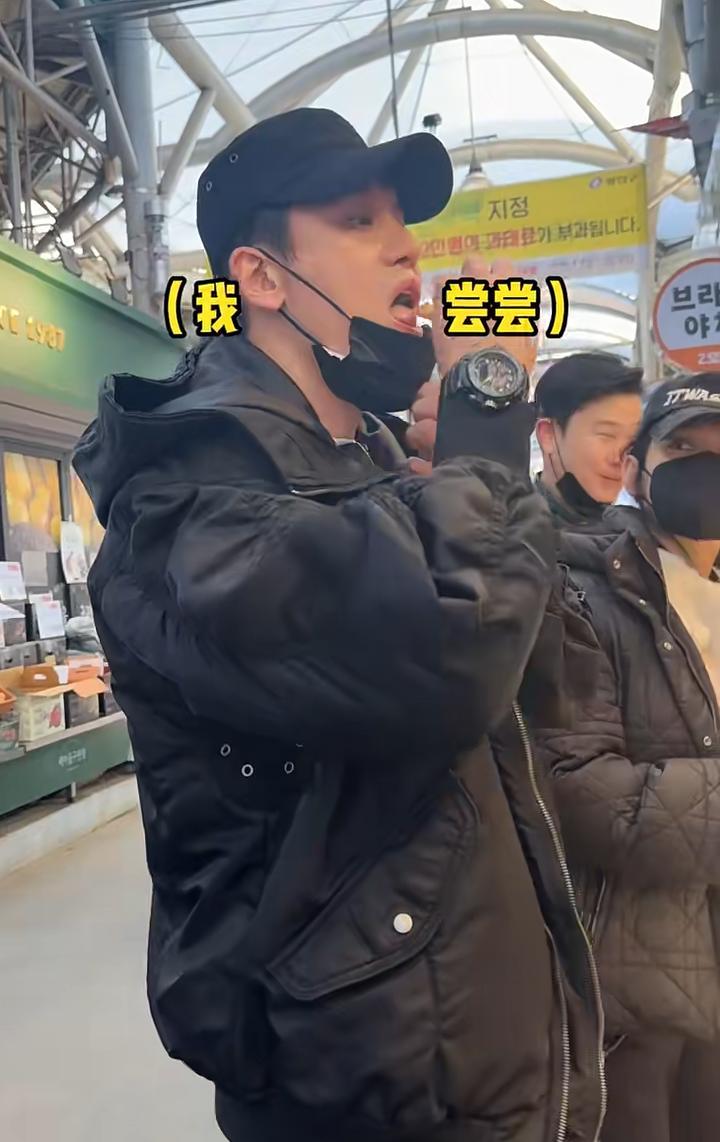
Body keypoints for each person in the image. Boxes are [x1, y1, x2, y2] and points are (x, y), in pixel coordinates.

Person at [73, 108, 604, 1142]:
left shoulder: (385, 466)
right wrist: (487, 427)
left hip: (472, 1029)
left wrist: (467, 482)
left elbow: (556, 683)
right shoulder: (189, 497)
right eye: (359, 221)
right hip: (363, 1074)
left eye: (403, 223)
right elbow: (454, 664)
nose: (407, 249)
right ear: (262, 277)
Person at [533, 374, 720, 1142]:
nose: (706, 468)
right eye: (683, 448)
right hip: (640, 990)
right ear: (637, 469)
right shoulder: (582, 590)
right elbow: (577, 787)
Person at [533, 352, 643, 527]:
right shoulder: (512, 534)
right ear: (548, 435)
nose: (620, 459)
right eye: (607, 435)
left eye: (632, 440)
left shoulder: (639, 533)